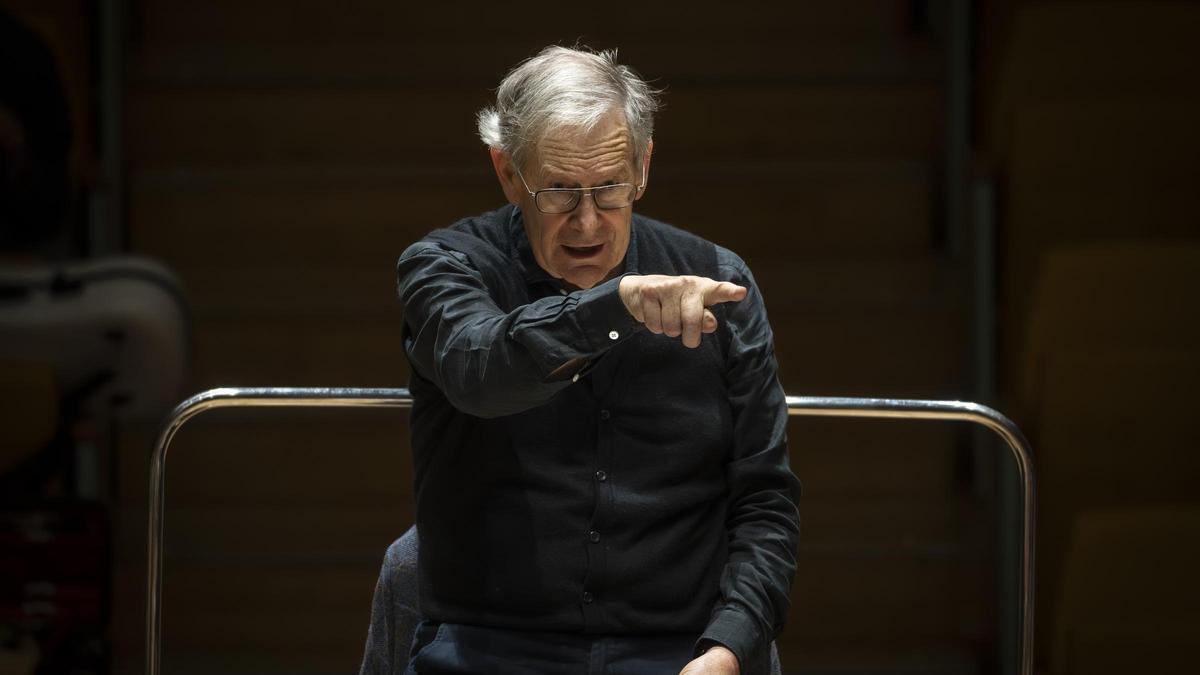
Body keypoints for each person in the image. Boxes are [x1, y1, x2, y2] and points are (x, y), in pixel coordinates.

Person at [387, 45, 800, 675]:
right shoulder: (446, 267)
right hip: (491, 645)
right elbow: (481, 374)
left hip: (678, 647)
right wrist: (614, 307)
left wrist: (728, 645)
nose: (588, 222)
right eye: (558, 191)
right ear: (506, 172)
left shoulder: (719, 281)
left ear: (643, 165)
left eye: (609, 187)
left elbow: (764, 498)